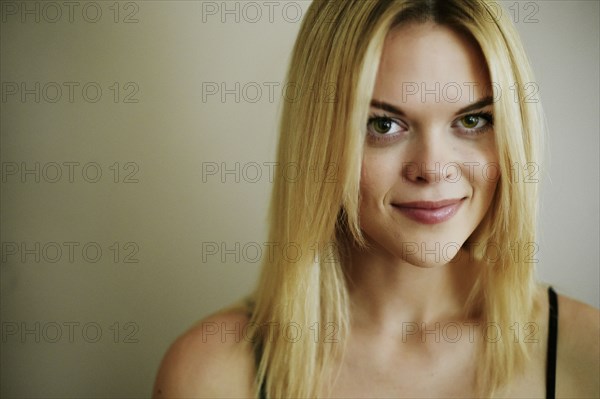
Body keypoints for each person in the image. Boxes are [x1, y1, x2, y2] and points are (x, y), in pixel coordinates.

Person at [153, 1, 599, 397]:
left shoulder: (588, 354)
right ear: (318, 142)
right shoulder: (211, 373)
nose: (432, 167)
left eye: (473, 120)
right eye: (384, 125)